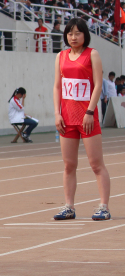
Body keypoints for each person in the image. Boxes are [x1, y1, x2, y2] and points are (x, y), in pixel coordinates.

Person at [53, 18, 111, 221]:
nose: (73, 37)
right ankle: (69, 206)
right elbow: (57, 86)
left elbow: (97, 85)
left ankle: (103, 206)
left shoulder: (92, 54)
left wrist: (90, 111)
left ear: (85, 34)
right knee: (69, 165)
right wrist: (57, 113)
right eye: (70, 33)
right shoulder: (61, 56)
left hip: (87, 117)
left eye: (77, 33)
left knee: (96, 164)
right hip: (67, 118)